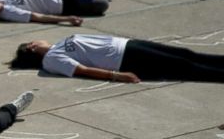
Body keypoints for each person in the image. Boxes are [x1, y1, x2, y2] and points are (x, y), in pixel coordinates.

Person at [11, 35, 224, 83]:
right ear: (32, 47)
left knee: (186, 54)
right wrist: (118, 76)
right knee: (184, 66)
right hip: (124, 58)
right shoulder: (51, 60)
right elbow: (81, 70)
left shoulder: (57, 46)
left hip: (126, 44)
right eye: (34, 41)